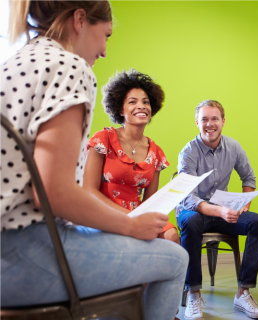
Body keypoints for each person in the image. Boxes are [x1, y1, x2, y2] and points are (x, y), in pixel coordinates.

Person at [0, 1, 188, 319]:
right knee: (175, 259)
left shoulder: (16, 62)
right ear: (80, 20)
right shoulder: (69, 66)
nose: (103, 51)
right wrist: (128, 225)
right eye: (106, 35)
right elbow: (53, 191)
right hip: (21, 251)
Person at [176, 100, 258, 320]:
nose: (210, 124)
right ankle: (194, 294)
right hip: (194, 212)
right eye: (204, 119)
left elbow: (249, 177)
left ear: (223, 121)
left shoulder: (234, 147)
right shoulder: (188, 151)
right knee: (190, 221)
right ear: (197, 123)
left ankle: (243, 292)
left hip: (221, 212)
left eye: (214, 118)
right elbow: (187, 197)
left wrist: (245, 202)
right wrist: (220, 212)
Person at [84, 69, 180, 244]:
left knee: (171, 235)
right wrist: (131, 217)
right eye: (132, 102)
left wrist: (146, 218)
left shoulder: (156, 153)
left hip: (139, 214)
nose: (141, 106)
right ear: (121, 109)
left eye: (146, 102)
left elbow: (150, 201)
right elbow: (89, 191)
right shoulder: (102, 139)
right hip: (104, 211)